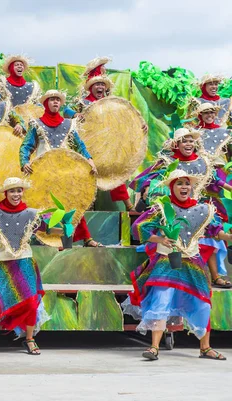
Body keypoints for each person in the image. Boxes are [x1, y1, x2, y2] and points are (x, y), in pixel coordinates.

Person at [123, 170, 229, 361]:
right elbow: (139, 228)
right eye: (179, 184)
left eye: (187, 184)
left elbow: (216, 231)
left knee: (202, 302)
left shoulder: (203, 209)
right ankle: (154, 347)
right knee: (161, 299)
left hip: (193, 262)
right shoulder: (162, 208)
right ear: (172, 187)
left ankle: (205, 348)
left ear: (191, 187)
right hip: (167, 261)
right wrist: (159, 239)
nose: (184, 187)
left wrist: (227, 236)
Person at [0, 177, 51, 359]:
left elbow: (49, 230)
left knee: (31, 302)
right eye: (12, 191)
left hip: (24, 262)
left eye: (19, 190)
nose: (16, 194)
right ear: (5, 193)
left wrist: (67, 229)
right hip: (2, 263)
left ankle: (30, 339)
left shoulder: (32, 214)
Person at [19, 89, 102, 247]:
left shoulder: (69, 124)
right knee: (42, 204)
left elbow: (80, 146)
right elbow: (26, 146)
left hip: (65, 172)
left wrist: (90, 160)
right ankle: (46, 239)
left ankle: (85, 238)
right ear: (46, 103)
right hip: (43, 173)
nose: (55, 102)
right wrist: (25, 162)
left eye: (57, 100)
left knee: (73, 203)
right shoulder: (36, 124)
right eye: (51, 100)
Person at [63, 57, 137, 211]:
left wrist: (140, 126)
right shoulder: (83, 103)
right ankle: (86, 207)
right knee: (86, 174)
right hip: (88, 145)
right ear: (91, 87)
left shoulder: (110, 103)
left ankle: (128, 205)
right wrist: (75, 115)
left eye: (102, 84)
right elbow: (66, 110)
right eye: (97, 84)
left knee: (115, 171)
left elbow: (123, 118)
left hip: (107, 145)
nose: (100, 87)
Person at [194, 103, 232, 288]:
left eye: (211, 112)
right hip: (200, 186)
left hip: (219, 183)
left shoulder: (225, 133)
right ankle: (211, 276)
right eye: (205, 112)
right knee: (206, 230)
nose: (209, 115)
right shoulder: (193, 135)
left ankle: (215, 275)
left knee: (217, 227)